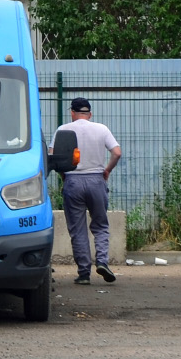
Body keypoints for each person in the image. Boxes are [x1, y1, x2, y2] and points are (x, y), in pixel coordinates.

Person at [55, 96, 122, 285]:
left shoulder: (63, 130)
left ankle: (84, 273)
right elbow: (117, 152)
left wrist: (64, 175)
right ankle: (102, 262)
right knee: (100, 225)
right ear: (90, 114)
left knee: (78, 230)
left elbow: (54, 156)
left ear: (72, 113)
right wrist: (106, 170)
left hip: (73, 181)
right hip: (96, 180)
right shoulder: (102, 129)